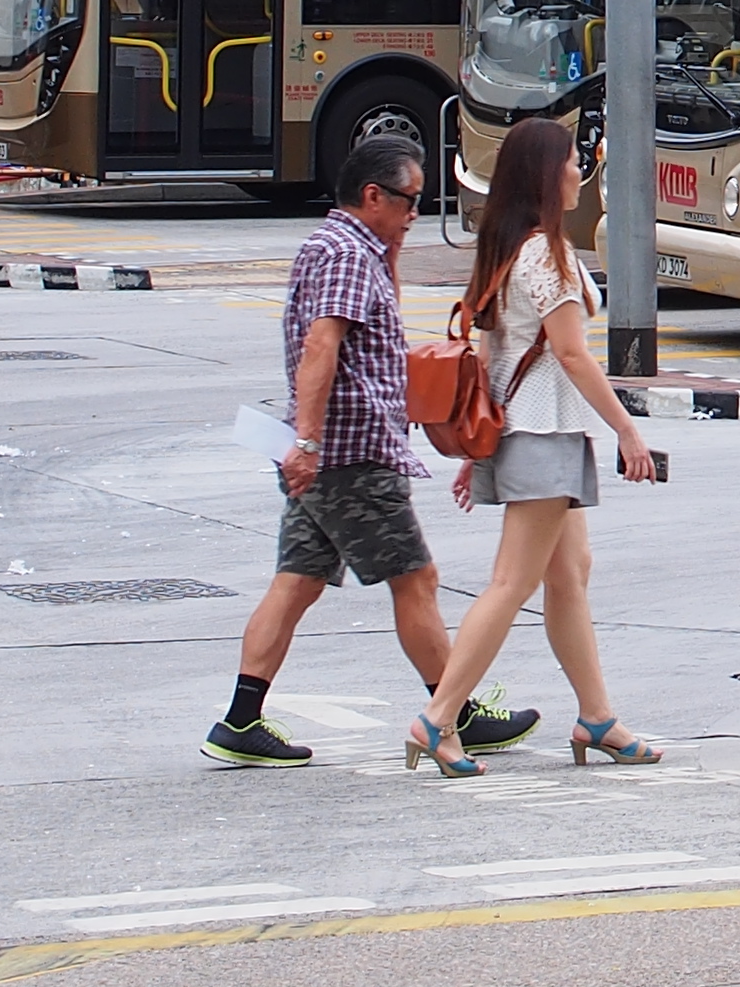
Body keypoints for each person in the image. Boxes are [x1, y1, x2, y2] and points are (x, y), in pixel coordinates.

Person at [206, 137, 537, 768]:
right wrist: (306, 441)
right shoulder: (347, 256)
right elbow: (319, 348)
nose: (416, 214)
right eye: (409, 201)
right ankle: (453, 711)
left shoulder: (343, 248)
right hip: (351, 456)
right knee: (417, 580)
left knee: (297, 582)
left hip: (327, 457)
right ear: (372, 196)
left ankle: (240, 719)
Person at [414, 114, 666, 775]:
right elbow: (574, 357)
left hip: (526, 436)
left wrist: (480, 455)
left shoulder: (508, 249)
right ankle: (438, 718)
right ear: (546, 177)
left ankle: (597, 717)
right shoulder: (545, 254)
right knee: (510, 584)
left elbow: (498, 356)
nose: (581, 172)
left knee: (569, 577)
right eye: (571, 163)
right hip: (545, 434)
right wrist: (627, 429)